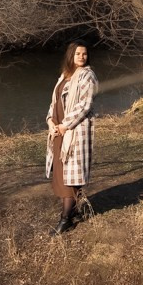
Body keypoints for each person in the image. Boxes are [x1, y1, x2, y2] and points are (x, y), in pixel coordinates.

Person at [45, 42, 97, 235]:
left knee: (71, 178)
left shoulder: (87, 76)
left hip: (74, 132)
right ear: (70, 56)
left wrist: (65, 125)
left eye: (84, 53)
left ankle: (65, 219)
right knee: (62, 173)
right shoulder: (65, 76)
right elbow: (54, 101)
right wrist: (51, 121)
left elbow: (84, 105)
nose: (82, 57)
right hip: (59, 132)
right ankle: (74, 211)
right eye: (78, 54)